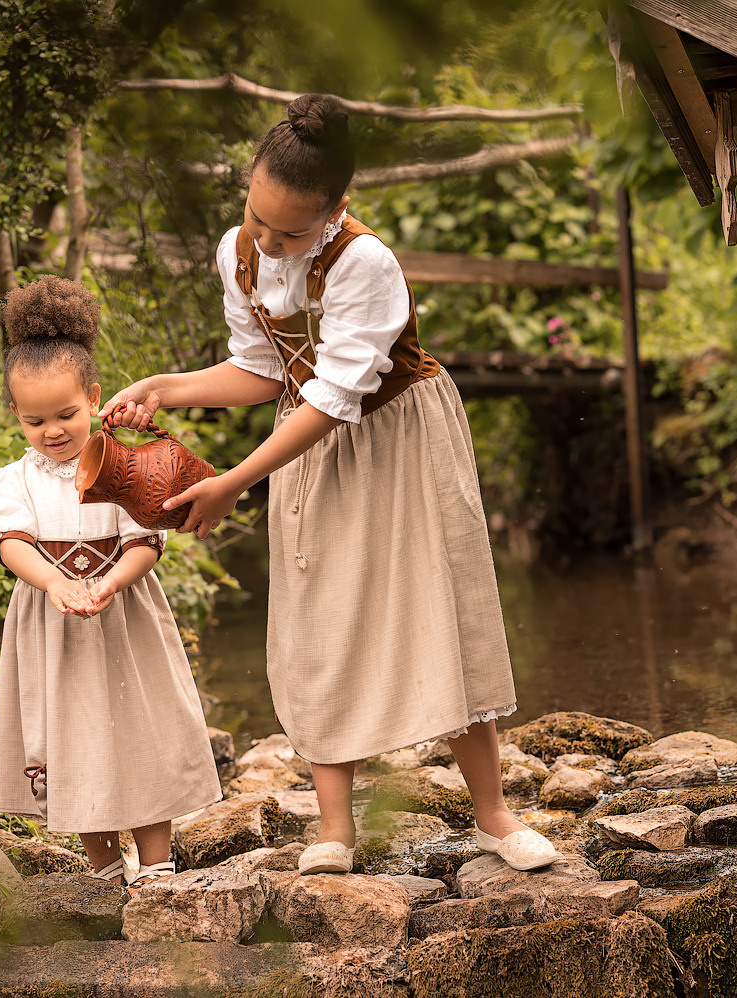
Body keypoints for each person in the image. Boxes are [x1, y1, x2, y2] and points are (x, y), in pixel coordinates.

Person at [101, 93, 557, 876]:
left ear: (337, 209)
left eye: (289, 232)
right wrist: (164, 387)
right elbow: (262, 371)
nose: (268, 242)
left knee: (440, 610)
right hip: (308, 444)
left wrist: (235, 481)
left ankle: (492, 814)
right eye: (257, 218)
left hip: (399, 435)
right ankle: (335, 828)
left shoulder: (365, 263)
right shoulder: (239, 252)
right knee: (317, 619)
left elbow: (335, 396)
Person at [0, 276, 222, 889]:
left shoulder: (119, 465)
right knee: (73, 738)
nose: (53, 431)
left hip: (125, 617)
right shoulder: (11, 481)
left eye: (66, 414)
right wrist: (54, 583)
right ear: (15, 416)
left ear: (92, 399)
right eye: (35, 420)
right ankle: (106, 870)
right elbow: (11, 544)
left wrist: (112, 580)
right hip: (53, 624)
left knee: (142, 727)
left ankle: (158, 866)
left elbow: (145, 542)